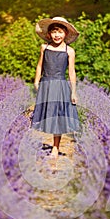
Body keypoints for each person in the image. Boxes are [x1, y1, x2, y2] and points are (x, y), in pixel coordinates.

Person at [31, 16, 80, 159]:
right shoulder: (44, 47)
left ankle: (55, 147)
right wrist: (36, 81)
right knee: (46, 114)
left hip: (60, 86)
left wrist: (73, 92)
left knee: (58, 117)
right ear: (49, 34)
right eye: (53, 32)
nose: (56, 35)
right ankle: (32, 143)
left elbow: (71, 72)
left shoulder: (69, 51)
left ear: (65, 33)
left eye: (59, 32)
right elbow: (40, 65)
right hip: (46, 84)